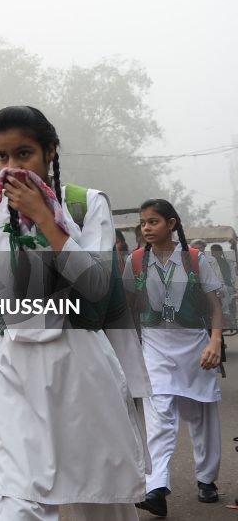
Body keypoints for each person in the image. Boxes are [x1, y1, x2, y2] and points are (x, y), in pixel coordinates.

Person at [0, 105, 148, 520]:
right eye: (2, 156)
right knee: (15, 502)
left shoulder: (88, 206)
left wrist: (46, 220)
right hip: (15, 368)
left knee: (100, 496)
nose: (12, 168)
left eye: (24, 153)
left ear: (51, 152)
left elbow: (98, 288)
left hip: (80, 365)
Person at [122, 200, 224, 516]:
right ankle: (156, 488)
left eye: (153, 222)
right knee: (159, 416)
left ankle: (206, 480)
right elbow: (126, 307)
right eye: (143, 223)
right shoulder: (135, 261)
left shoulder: (196, 260)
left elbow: (215, 307)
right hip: (154, 347)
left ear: (172, 223)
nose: (147, 228)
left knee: (201, 416)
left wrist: (215, 342)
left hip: (196, 345)